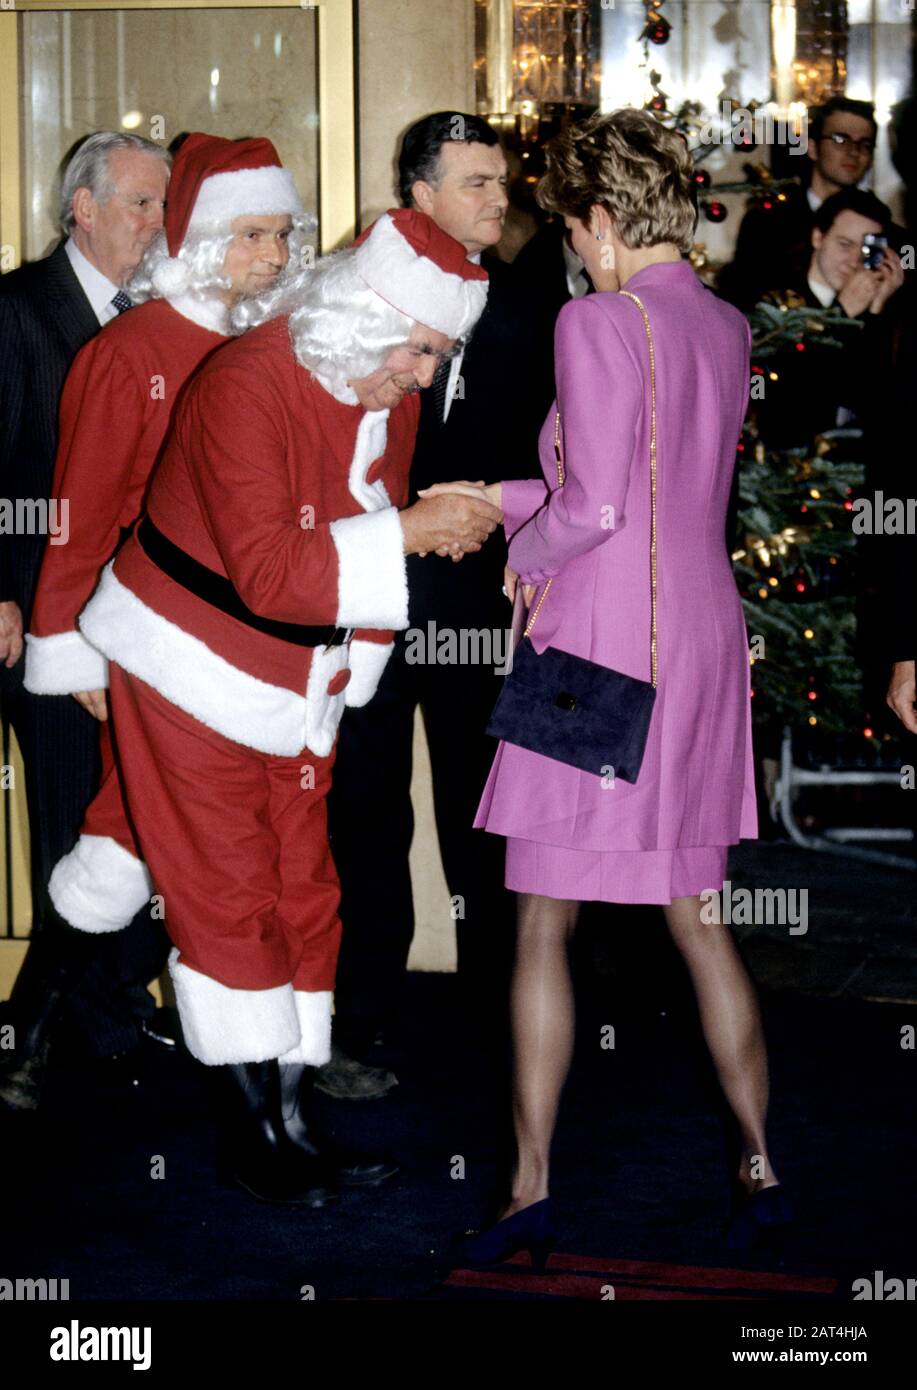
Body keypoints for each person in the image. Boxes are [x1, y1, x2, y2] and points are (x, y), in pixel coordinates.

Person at [69, 208, 501, 1204]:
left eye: (441, 354)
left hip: (296, 680)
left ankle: (290, 1110)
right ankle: (252, 1136)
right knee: (226, 893)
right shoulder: (244, 385)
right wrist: (409, 532)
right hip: (184, 661)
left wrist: (410, 562)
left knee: (306, 886)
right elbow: (269, 572)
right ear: (367, 313)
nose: (426, 376)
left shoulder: (380, 387)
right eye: (421, 349)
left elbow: (362, 543)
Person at [427, 108, 789, 1263]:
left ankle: (530, 1188)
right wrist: (500, 493)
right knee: (697, 918)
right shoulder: (723, 325)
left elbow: (588, 510)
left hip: (590, 652)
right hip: (696, 638)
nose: (572, 248)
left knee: (540, 919)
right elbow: (642, 492)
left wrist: (516, 553)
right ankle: (759, 1161)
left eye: (572, 226)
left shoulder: (596, 317)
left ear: (596, 216)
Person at [324, 112, 556, 1100]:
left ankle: (495, 1022)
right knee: (362, 810)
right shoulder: (348, 291)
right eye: (473, 182)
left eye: (500, 183)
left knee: (480, 810)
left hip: (474, 593)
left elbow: (549, 452)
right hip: (366, 592)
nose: (496, 200)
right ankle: (353, 1019)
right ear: (415, 189)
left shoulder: (526, 307)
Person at [0, 132, 170, 1110]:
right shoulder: (20, 312)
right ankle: (30, 1039)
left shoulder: (150, 322)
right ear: (82, 210)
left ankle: (100, 1015)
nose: (154, 226)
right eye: (139, 205)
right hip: (39, 619)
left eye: (160, 207)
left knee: (117, 822)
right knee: (78, 826)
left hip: (130, 619)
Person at [751, 188, 904, 450]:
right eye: (845, 245)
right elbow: (790, 408)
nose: (855, 260)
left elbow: (875, 405)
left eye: (867, 249)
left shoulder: (873, 307)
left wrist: (876, 310)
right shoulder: (775, 300)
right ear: (818, 237)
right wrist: (839, 315)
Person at [718, 97, 880, 313]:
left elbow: (908, 260)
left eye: (865, 144)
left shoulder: (879, 224)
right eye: (841, 139)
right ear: (812, 148)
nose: (854, 151)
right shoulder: (766, 222)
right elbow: (741, 300)